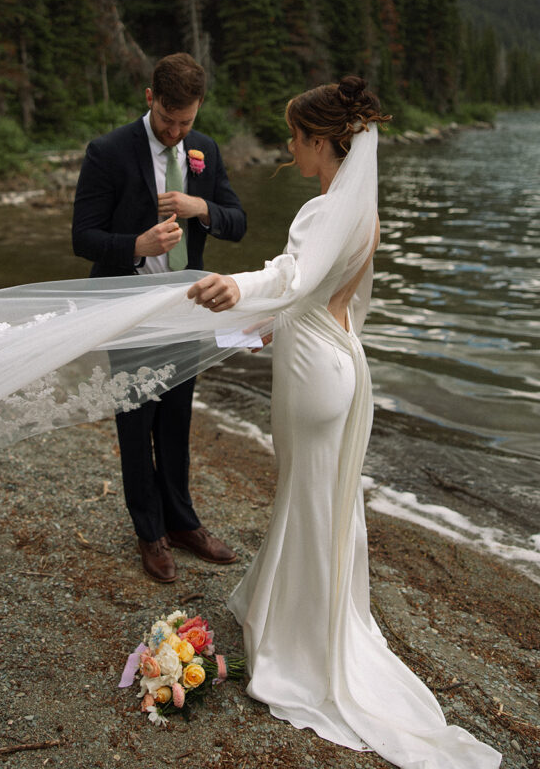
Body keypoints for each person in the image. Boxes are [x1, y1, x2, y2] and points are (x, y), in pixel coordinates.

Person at [187, 77, 502, 769]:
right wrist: (271, 322)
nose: (290, 148)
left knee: (307, 500)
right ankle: (305, 619)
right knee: (320, 502)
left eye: (297, 137)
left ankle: (302, 646)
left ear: (326, 142)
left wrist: (238, 288)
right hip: (338, 361)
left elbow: (293, 271)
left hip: (313, 375)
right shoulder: (359, 214)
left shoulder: (321, 212)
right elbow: (332, 296)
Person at [72, 53, 246, 584]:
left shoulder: (205, 151)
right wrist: (137, 245)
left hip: (183, 309)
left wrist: (201, 210)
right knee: (136, 422)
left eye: (186, 122)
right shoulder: (108, 152)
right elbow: (83, 237)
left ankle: (183, 522)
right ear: (150, 98)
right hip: (127, 310)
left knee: (176, 419)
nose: (176, 133)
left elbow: (237, 223)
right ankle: (149, 532)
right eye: (169, 119)